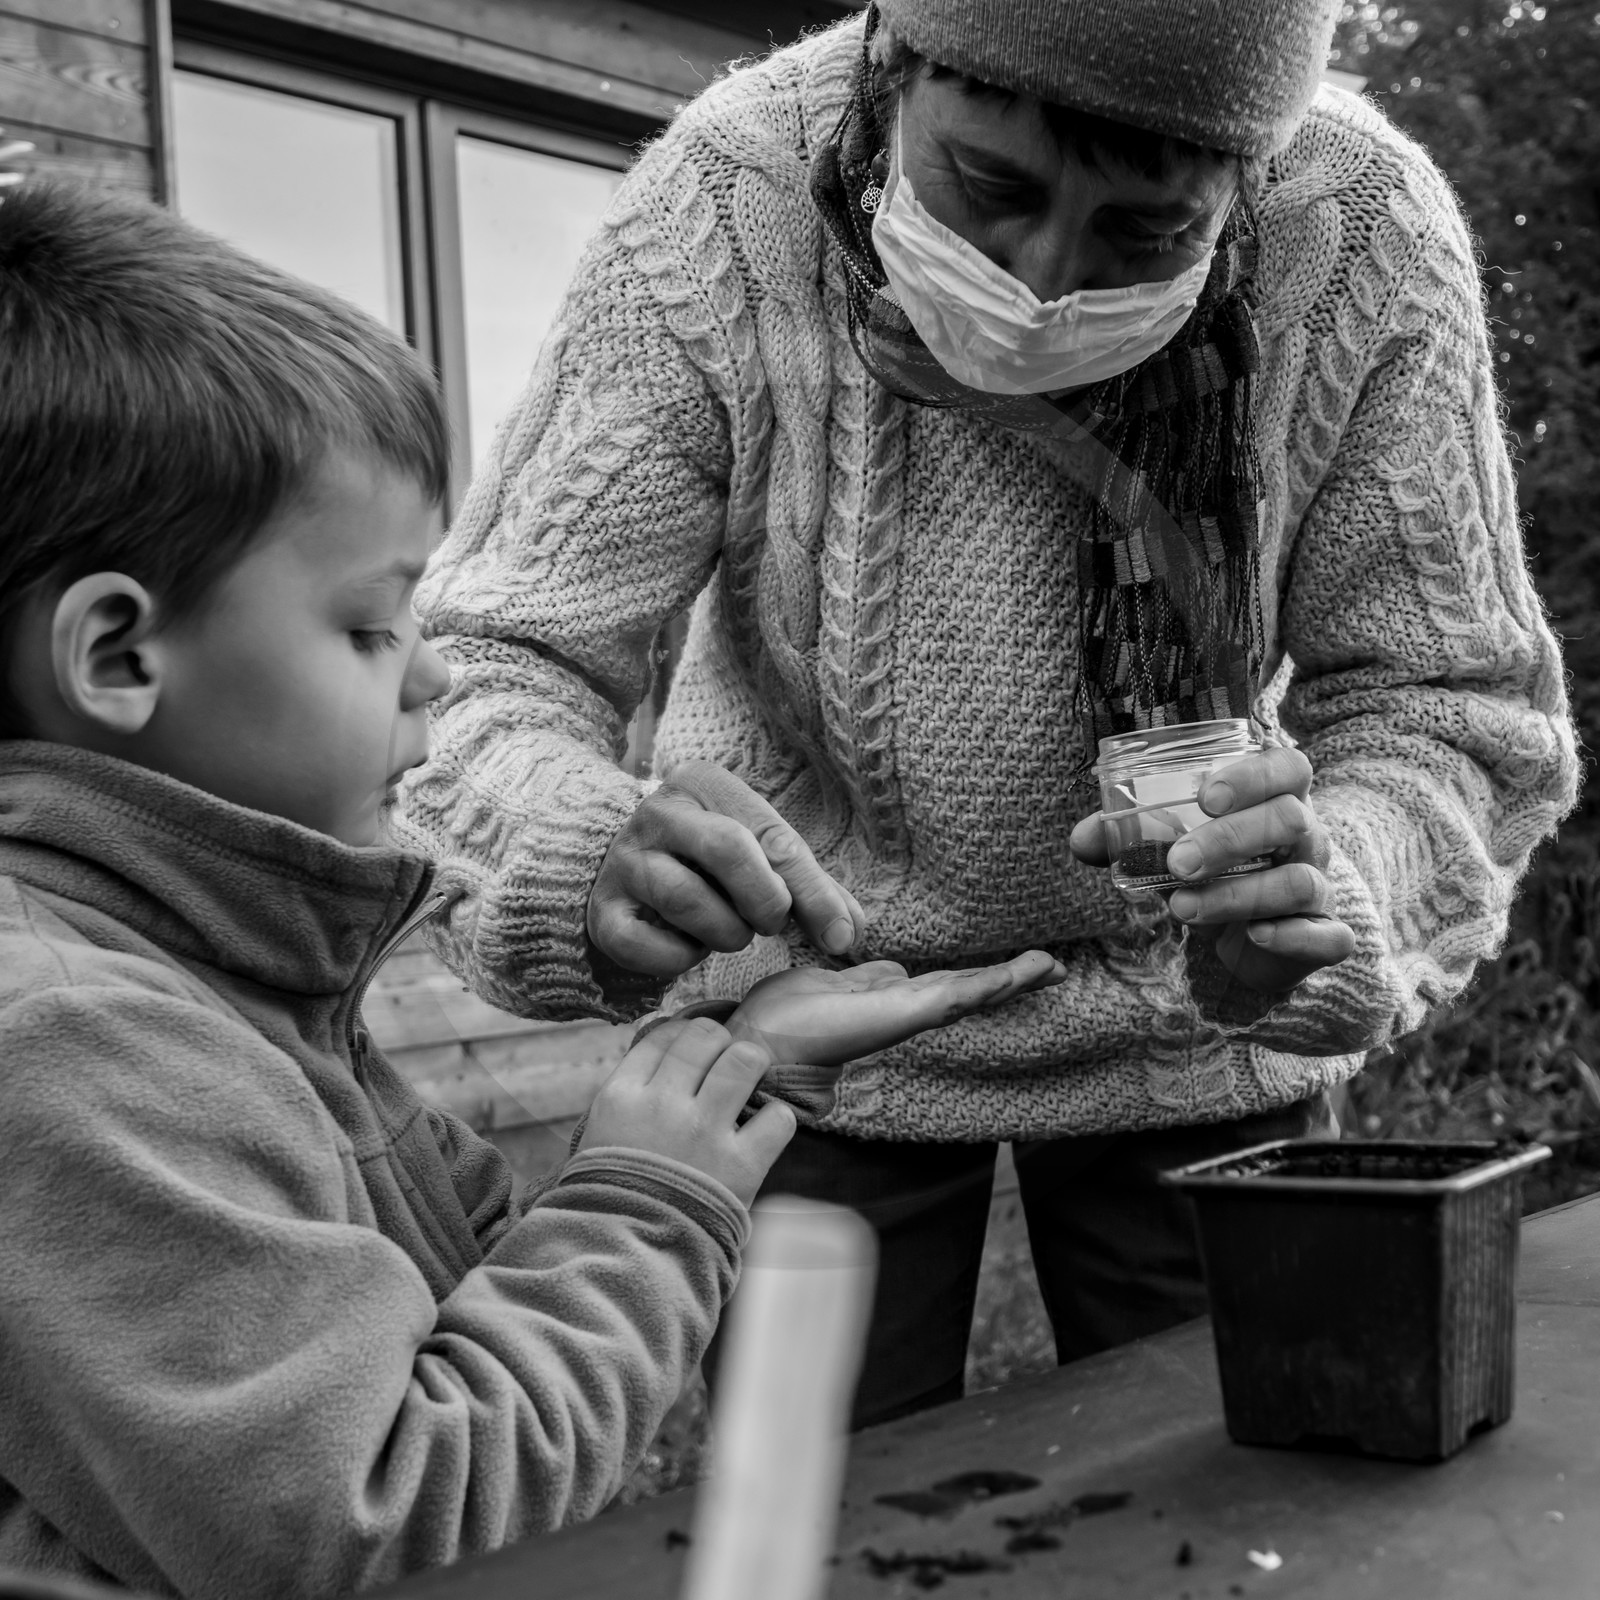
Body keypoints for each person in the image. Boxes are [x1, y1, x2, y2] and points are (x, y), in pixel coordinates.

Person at [401, 0, 1578, 1427]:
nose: (1040, 285)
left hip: (1198, 1028)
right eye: (992, 189)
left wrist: (1335, 882)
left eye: (1143, 235)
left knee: (1231, 1491)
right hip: (811, 1020)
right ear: (899, 71)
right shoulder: (727, 200)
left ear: (1246, 183)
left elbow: (1448, 702)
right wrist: (577, 846)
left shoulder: (1364, 236)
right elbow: (494, 661)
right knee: (809, 1524)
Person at [0, 182, 1066, 1597]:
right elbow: (391, 1524)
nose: (435, 671)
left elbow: (465, 1319)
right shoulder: (74, 1049)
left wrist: (724, 1066)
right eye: (374, 625)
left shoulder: (217, 981)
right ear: (120, 658)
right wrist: (647, 1200)